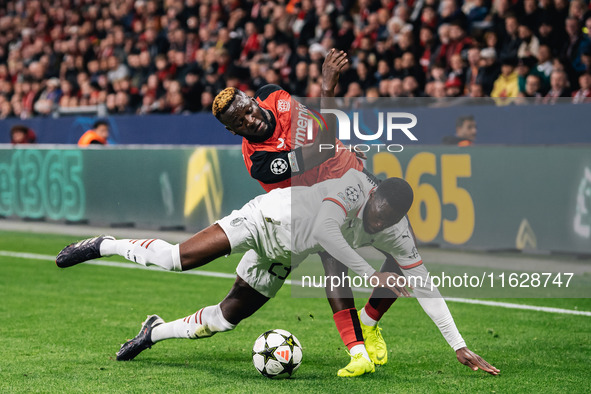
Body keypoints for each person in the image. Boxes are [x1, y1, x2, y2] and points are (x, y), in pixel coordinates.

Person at [56, 169, 499, 377]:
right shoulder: (355, 185)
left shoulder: (397, 232)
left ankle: (152, 332)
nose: (376, 222)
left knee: (225, 319)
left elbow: (425, 286)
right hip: (263, 219)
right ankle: (103, 244)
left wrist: (459, 346)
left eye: (385, 221)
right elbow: (327, 230)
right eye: (376, 212)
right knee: (179, 259)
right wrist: (367, 271)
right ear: (374, 192)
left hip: (283, 256)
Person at [211, 49, 400, 376]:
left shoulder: (273, 93)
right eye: (238, 123)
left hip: (351, 174)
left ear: (252, 99)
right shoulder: (260, 163)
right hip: (315, 204)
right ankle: (357, 353)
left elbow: (315, 127)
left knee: (405, 246)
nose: (249, 120)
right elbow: (319, 148)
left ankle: (369, 323)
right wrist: (328, 89)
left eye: (247, 110)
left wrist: (341, 148)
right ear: (232, 131)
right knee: (335, 264)